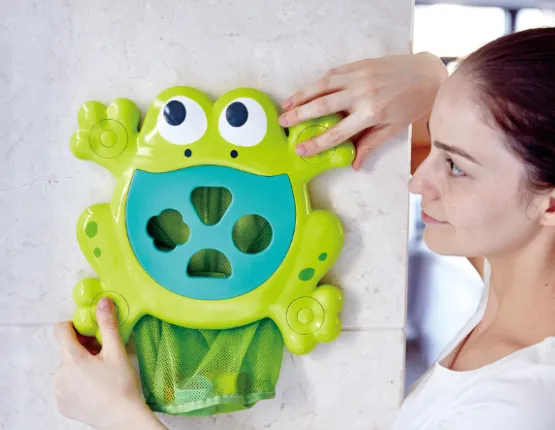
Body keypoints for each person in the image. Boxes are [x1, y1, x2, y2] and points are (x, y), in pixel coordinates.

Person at [55, 27, 555, 429]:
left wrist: (117, 416)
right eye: (438, 149)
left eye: (456, 167)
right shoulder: (515, 286)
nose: (416, 181)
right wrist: (431, 78)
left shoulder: (519, 409)